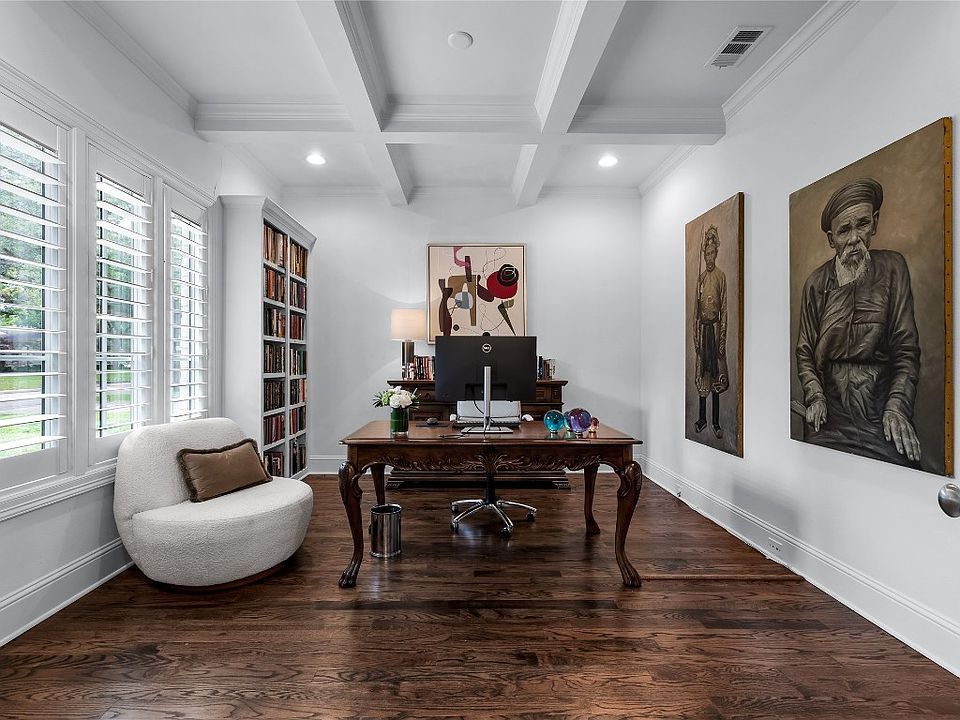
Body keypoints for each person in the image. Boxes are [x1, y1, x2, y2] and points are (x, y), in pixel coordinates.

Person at [795, 177, 921, 467]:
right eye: (844, 230)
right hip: (828, 417)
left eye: (862, 224)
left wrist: (897, 407)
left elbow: (906, 351)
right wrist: (815, 397)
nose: (854, 239)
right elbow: (805, 353)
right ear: (831, 239)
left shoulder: (893, 268)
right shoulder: (815, 283)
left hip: (881, 417)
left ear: (874, 223)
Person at [693, 226, 728, 439]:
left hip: (714, 332)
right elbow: (695, 313)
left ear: (716, 253)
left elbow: (724, 310)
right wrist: (696, 337)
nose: (709, 257)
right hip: (703, 332)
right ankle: (702, 419)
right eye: (707, 254)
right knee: (703, 377)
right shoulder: (701, 278)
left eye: (712, 253)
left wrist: (722, 340)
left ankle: (715, 421)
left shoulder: (721, 277)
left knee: (715, 377)